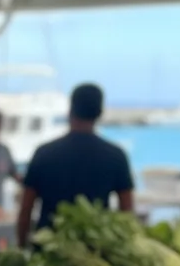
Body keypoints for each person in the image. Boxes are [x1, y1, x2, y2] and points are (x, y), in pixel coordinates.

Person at [17, 83, 134, 246]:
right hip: (97, 252)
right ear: (100, 113)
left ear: (70, 110)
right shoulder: (116, 156)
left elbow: (25, 211)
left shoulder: (44, 153)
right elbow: (127, 214)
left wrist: (22, 247)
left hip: (48, 253)